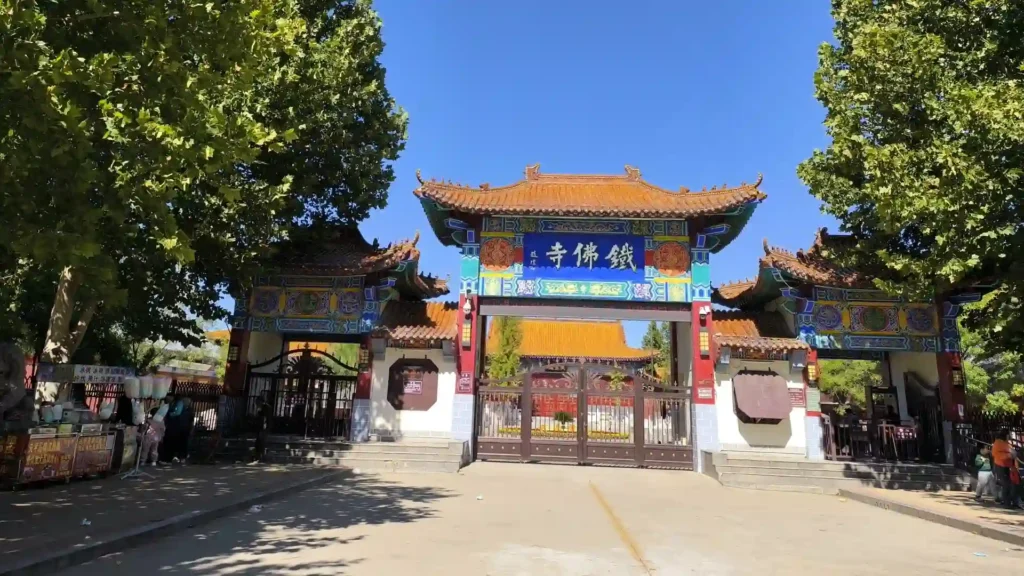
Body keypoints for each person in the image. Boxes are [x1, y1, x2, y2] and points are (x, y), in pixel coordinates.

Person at [991, 430, 1014, 507]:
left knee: (1008, 484)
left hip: (1006, 466)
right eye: (1009, 434)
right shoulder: (998, 443)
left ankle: (1007, 501)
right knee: (1006, 484)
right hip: (1001, 465)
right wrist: (1008, 455)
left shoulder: (1006, 443)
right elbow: (996, 454)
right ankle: (1006, 502)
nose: (1010, 436)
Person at [252, 391, 271, 464]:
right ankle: (258, 456)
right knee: (258, 442)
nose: (256, 404)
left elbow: (265, 418)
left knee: (261, 442)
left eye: (257, 402)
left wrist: (264, 427)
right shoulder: (262, 407)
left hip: (264, 427)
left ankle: (261, 456)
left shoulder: (265, 407)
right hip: (261, 427)